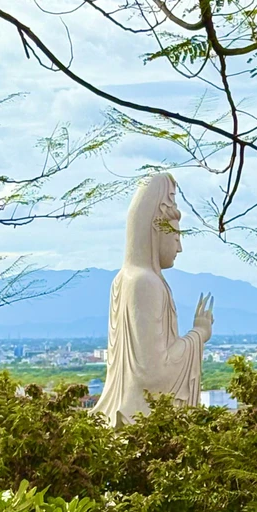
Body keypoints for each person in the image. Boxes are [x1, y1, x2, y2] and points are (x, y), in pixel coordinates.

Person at [94, 173, 213, 426]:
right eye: (177, 237)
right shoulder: (145, 283)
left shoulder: (124, 279)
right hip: (139, 421)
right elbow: (154, 372)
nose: (179, 248)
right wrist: (199, 334)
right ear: (156, 232)